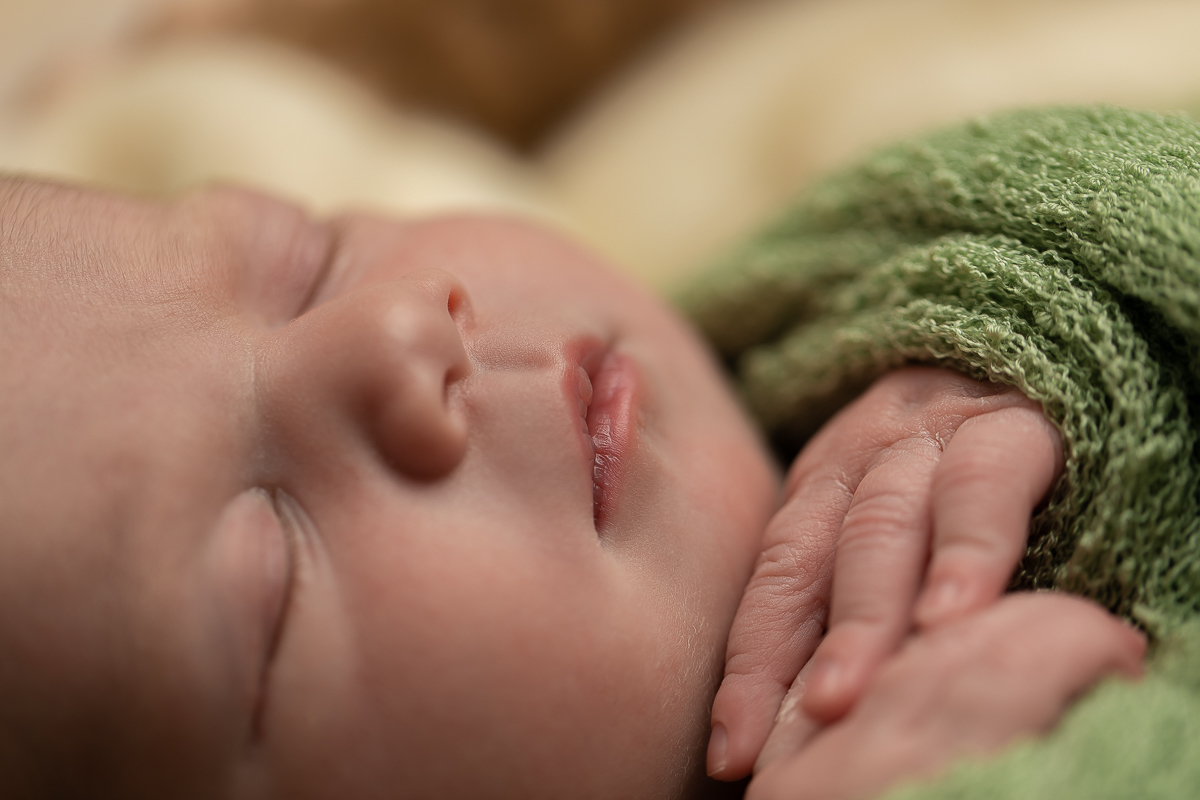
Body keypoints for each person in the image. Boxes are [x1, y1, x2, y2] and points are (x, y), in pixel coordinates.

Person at [0, 175, 1142, 800]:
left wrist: (1005, 342)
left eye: (305, 259)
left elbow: (1121, 201)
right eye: (269, 580)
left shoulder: (806, 313)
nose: (399, 332)